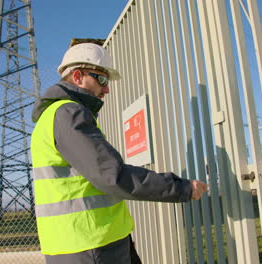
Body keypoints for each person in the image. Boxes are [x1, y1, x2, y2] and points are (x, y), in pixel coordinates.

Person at [30, 43, 208, 264]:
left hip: (83, 243)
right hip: (91, 245)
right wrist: (181, 188)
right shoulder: (69, 114)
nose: (107, 89)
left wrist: (123, 238)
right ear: (77, 76)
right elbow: (112, 176)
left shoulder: (52, 117)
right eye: (102, 80)